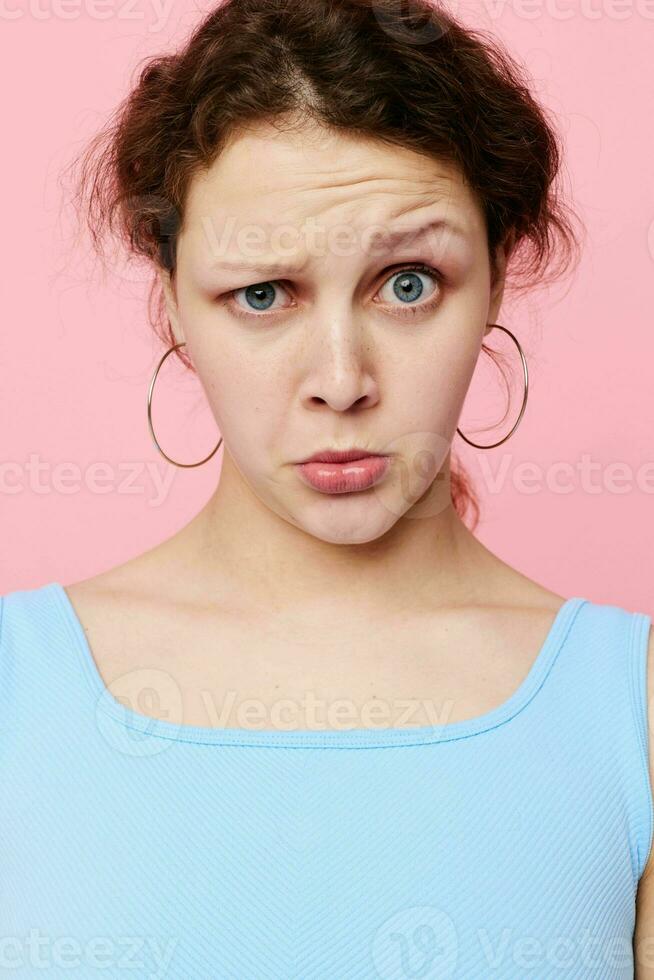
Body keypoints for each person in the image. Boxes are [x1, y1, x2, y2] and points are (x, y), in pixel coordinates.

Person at [2, 0, 653, 975]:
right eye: (262, 294)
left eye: (407, 283)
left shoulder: (633, 705)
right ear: (172, 300)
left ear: (496, 283)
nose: (341, 379)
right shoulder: (16, 686)